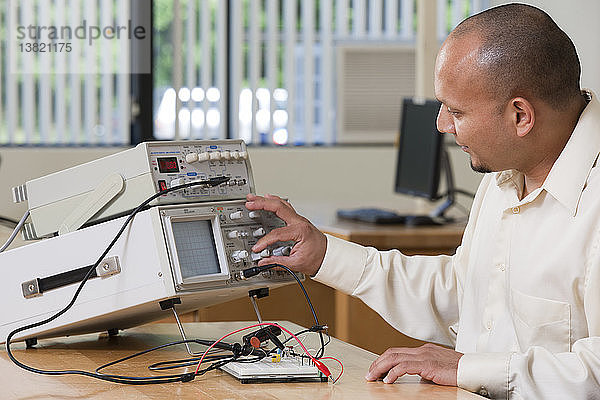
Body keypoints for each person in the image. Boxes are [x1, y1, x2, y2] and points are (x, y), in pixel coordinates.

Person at [245, 3, 600, 399]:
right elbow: (465, 293)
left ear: (520, 116)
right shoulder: (506, 175)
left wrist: (466, 367)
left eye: (457, 111)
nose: (441, 125)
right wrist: (323, 255)